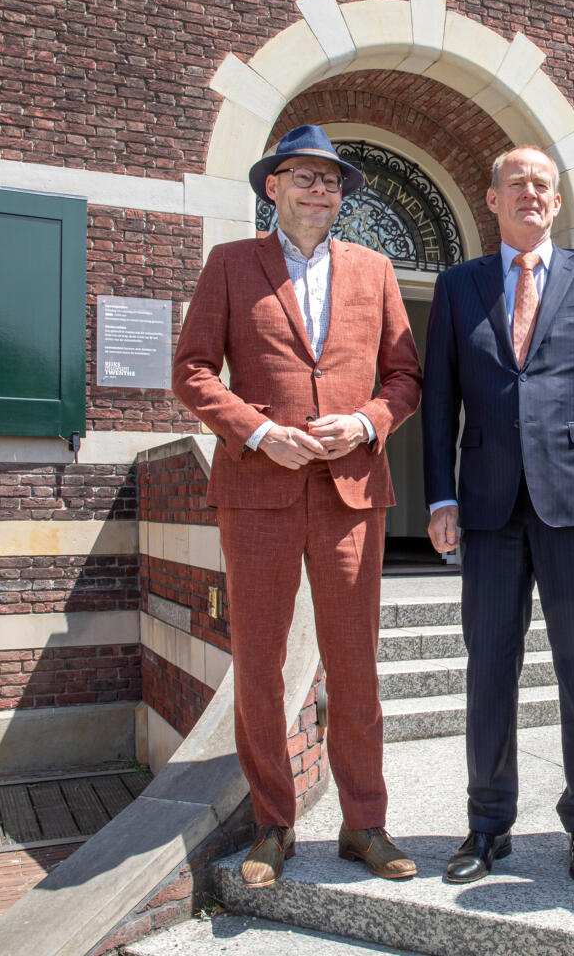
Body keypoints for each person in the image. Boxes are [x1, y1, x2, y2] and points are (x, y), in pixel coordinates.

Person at [172, 124, 423, 888]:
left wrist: (368, 422)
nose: (320, 189)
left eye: (332, 180)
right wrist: (256, 433)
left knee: (355, 667)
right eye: (303, 176)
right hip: (258, 493)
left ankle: (364, 824)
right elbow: (190, 371)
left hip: (351, 493)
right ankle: (273, 826)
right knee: (258, 663)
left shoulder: (376, 270)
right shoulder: (228, 265)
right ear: (271, 187)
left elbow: (405, 377)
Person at [421, 145, 574, 886]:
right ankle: (488, 826)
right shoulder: (458, 286)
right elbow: (438, 403)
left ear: (556, 201)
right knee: (489, 669)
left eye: (542, 185)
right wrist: (441, 495)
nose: (530, 193)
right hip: (485, 508)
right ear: (491, 198)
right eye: (516, 182)